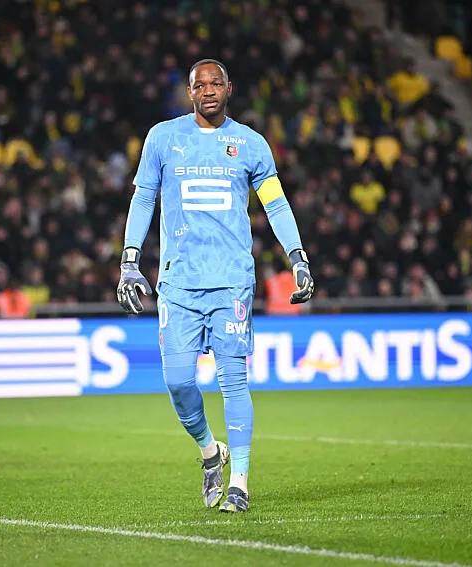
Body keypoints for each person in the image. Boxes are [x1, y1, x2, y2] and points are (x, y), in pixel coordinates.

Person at [117, 59, 314, 513]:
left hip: (231, 282)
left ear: (229, 88)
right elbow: (144, 198)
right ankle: (210, 452)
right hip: (179, 283)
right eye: (199, 85)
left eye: (216, 83)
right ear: (189, 93)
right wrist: (130, 261)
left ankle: (240, 484)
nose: (208, 90)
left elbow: (276, 205)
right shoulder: (163, 138)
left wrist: (298, 258)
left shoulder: (250, 144)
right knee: (179, 381)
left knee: (234, 380)